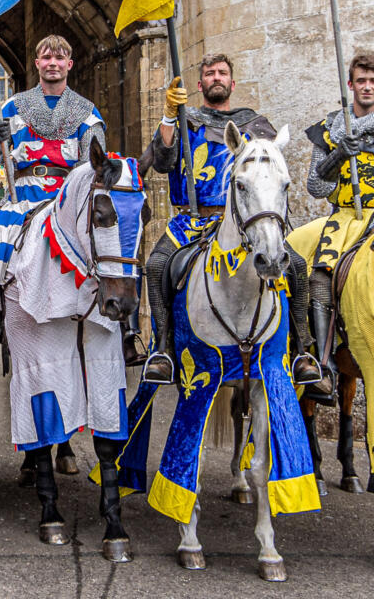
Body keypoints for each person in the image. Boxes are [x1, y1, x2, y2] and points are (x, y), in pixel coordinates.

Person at [142, 54, 317, 385]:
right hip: (192, 221)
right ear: (200, 84)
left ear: (232, 83)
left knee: (296, 266)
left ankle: (301, 351)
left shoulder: (257, 126)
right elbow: (163, 162)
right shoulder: (185, 120)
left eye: (222, 73)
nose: (216, 77)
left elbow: (272, 172)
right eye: (209, 73)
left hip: (245, 223)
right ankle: (163, 350)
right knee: (156, 265)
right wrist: (167, 117)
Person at [0, 34, 105, 364]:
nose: (53, 64)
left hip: (67, 198)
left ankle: (126, 330)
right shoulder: (14, 107)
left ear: (69, 65)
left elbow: (94, 164)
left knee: (112, 243)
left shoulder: (86, 113)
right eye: (47, 58)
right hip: (23, 196)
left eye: (60, 59)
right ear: (37, 64)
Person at [289, 53, 374, 396]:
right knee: (316, 270)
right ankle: (321, 364)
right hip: (346, 216)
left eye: (373, 81)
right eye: (362, 81)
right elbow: (316, 187)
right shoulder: (329, 129)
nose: (368, 87)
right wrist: (340, 153)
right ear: (350, 85)